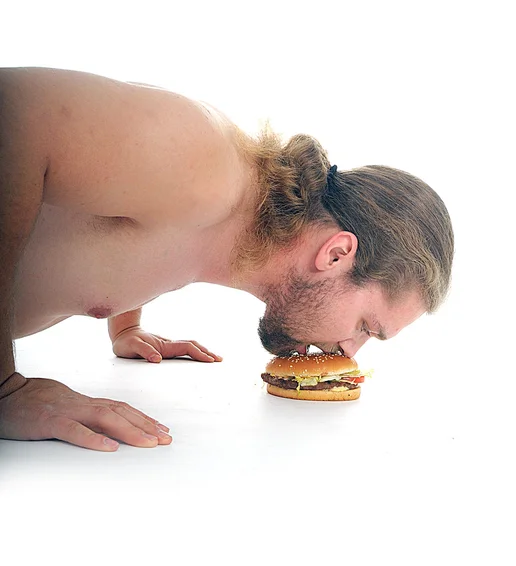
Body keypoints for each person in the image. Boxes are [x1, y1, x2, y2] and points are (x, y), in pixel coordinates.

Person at [0, 67, 454, 452]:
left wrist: (124, 323)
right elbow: (14, 113)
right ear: (336, 254)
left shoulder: (221, 229)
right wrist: (5, 388)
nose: (349, 352)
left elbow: (128, 216)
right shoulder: (206, 161)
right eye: (366, 328)